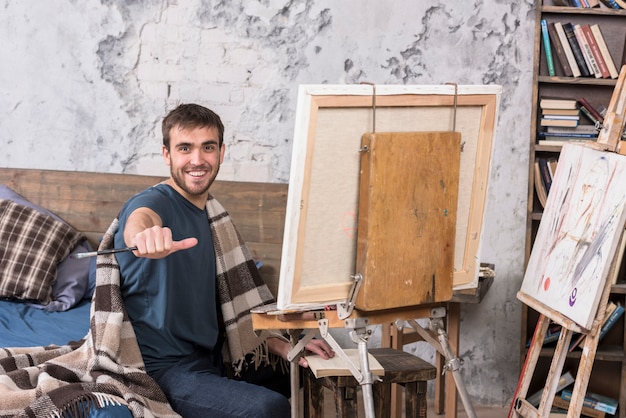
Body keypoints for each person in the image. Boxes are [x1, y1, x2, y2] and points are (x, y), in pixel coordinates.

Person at [113, 103, 334, 417]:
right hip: (164, 371)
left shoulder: (212, 215)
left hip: (210, 357)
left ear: (221, 152)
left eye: (208, 147)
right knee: (269, 409)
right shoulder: (155, 201)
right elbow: (139, 218)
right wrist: (143, 237)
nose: (197, 160)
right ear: (166, 155)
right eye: (184, 148)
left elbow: (233, 310)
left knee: (302, 368)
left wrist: (285, 347)